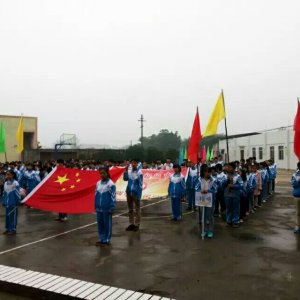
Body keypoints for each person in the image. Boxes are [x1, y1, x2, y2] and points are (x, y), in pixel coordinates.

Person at [95, 167, 116, 246]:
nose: (102, 175)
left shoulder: (111, 184)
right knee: (100, 224)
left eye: (104, 173)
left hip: (107, 208)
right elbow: (96, 195)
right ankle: (101, 238)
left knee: (107, 224)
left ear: (107, 173)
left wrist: (112, 206)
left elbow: (113, 196)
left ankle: (106, 239)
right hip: (99, 208)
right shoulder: (98, 183)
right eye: (100, 173)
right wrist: (95, 205)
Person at [195, 165, 217, 238]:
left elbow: (215, 190)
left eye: (209, 172)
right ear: (203, 172)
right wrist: (200, 191)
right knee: (203, 215)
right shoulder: (199, 179)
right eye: (206, 172)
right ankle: (204, 230)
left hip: (210, 200)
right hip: (201, 200)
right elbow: (196, 188)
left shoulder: (213, 180)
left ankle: (210, 230)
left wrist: (208, 191)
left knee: (210, 216)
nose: (208, 174)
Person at [123, 159, 143, 231]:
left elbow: (141, 184)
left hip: (136, 193)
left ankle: (137, 225)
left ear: (137, 164)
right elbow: (125, 179)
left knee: (137, 209)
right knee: (130, 209)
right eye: (132, 163)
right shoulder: (129, 172)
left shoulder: (139, 172)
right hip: (129, 192)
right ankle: (131, 224)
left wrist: (139, 193)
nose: (133, 164)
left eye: (135, 163)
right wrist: (125, 171)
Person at [224, 162, 243, 228]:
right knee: (228, 208)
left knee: (236, 208)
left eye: (229, 167)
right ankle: (228, 221)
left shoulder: (238, 176)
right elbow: (222, 185)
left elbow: (241, 185)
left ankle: (235, 221)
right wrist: (226, 181)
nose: (228, 168)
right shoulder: (226, 176)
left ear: (233, 168)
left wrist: (233, 186)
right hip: (227, 195)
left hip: (235, 195)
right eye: (227, 167)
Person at [2, 170, 20, 235]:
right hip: (7, 203)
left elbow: (17, 193)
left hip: (13, 203)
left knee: (13, 217)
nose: (7, 176)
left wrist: (18, 201)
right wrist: (3, 201)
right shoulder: (5, 183)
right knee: (7, 216)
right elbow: (4, 193)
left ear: (12, 175)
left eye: (9, 174)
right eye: (7, 175)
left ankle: (13, 229)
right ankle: (8, 229)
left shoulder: (16, 183)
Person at [291, 162, 300, 234]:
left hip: (297, 195)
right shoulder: (295, 174)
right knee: (297, 212)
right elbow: (293, 184)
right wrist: (298, 180)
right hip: (297, 195)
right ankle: (297, 226)